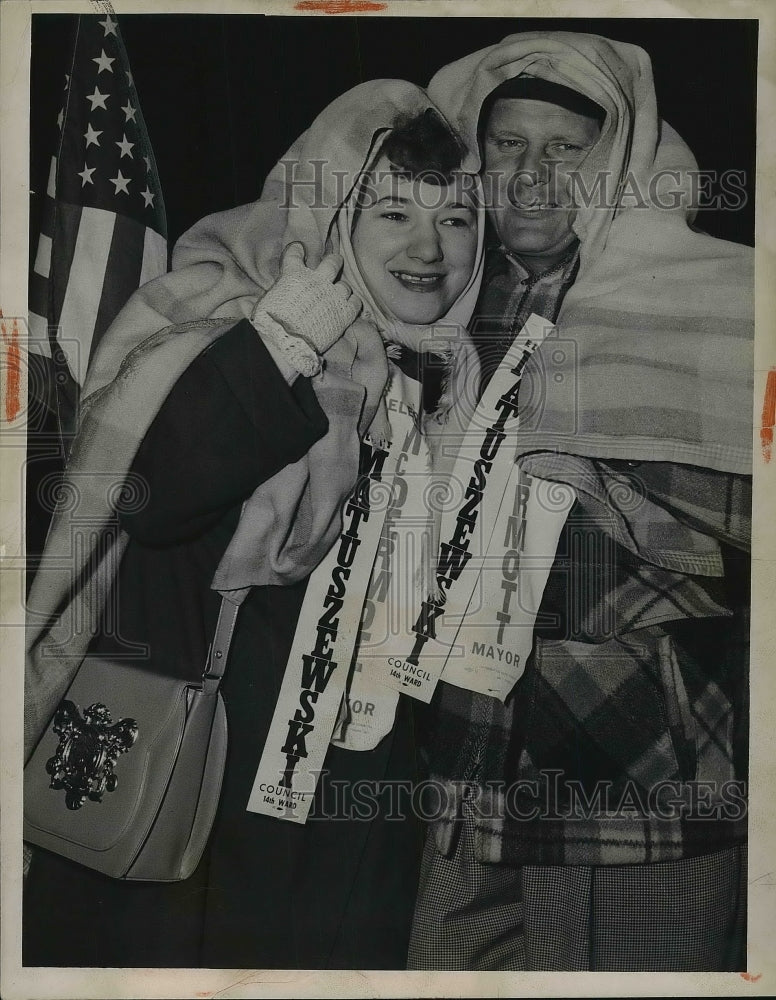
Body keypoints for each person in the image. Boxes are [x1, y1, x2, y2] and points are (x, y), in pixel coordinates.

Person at [23, 79, 484, 969]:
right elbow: (156, 491)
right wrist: (283, 343)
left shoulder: (446, 381)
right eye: (393, 213)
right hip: (204, 776)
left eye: (458, 220)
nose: (430, 248)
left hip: (352, 795)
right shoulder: (242, 321)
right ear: (330, 216)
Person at [404, 32, 753, 971]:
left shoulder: (714, 298)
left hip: (637, 741)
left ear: (619, 162)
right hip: (468, 736)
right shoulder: (437, 294)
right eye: (508, 144)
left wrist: (608, 468)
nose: (532, 175)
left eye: (566, 148)